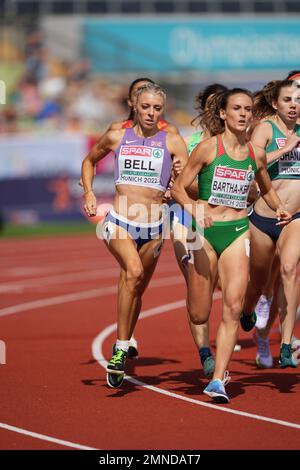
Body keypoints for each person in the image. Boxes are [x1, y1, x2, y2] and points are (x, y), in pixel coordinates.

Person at [171, 88, 291, 403]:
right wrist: (194, 208)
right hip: (204, 232)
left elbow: (266, 187)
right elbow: (178, 189)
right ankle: (189, 268)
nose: (243, 114)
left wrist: (278, 206)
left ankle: (218, 378)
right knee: (199, 313)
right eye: (236, 108)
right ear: (223, 114)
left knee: (233, 307)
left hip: (238, 231)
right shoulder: (208, 149)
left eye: (248, 109)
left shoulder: (256, 153)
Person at [82, 83, 189, 388]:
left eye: (157, 108)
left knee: (136, 287)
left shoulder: (173, 140)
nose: (151, 113)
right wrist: (89, 192)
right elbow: (89, 160)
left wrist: (177, 184)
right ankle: (119, 348)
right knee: (134, 270)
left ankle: (126, 340)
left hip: (155, 226)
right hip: (119, 220)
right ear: (135, 106)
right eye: (146, 107)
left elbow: (188, 186)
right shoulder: (118, 134)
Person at [168, 83, 228, 378]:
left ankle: (245, 315)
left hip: (223, 220)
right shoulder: (189, 143)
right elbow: (176, 183)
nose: (216, 110)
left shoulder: (234, 143)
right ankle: (205, 351)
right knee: (196, 285)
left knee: (229, 287)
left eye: (221, 104)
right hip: (186, 219)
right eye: (211, 104)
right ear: (204, 108)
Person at [241, 79, 300, 369]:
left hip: (295, 218)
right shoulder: (266, 127)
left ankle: (287, 344)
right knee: (259, 281)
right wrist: (287, 148)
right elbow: (250, 163)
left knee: (289, 270)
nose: (294, 105)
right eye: (287, 100)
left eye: (297, 100)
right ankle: (249, 311)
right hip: (264, 217)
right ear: (276, 104)